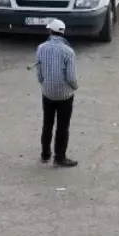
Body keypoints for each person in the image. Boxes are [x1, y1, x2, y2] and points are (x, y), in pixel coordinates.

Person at [35, 19, 79, 168]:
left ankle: (45, 154)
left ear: (50, 31)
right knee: (62, 125)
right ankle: (59, 157)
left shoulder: (41, 48)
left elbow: (39, 73)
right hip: (65, 95)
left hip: (47, 92)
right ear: (63, 32)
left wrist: (45, 84)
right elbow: (71, 77)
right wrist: (75, 87)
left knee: (47, 123)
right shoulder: (69, 51)